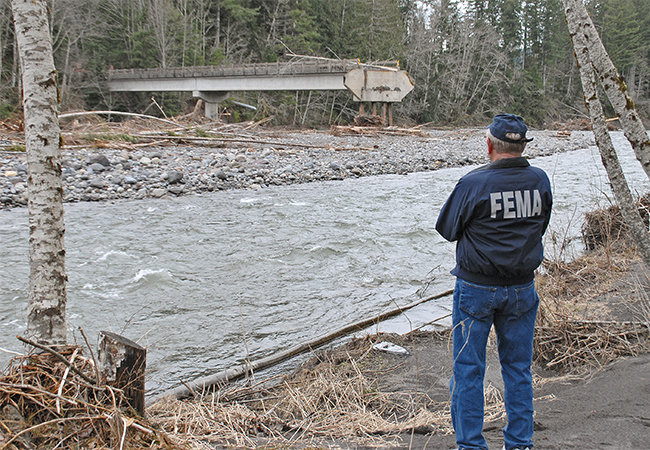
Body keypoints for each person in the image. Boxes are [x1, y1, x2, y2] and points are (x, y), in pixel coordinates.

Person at [435, 114, 553, 450]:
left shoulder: (473, 183)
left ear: (489, 146)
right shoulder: (540, 180)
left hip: (476, 288)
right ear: (522, 146)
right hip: (521, 287)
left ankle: (471, 445)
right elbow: (540, 225)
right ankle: (519, 443)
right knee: (518, 368)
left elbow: (447, 230)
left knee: (468, 369)